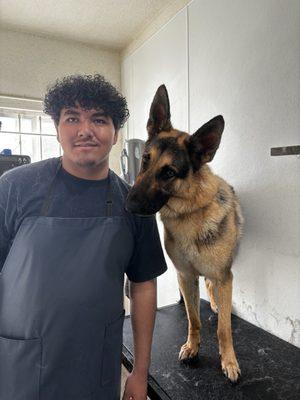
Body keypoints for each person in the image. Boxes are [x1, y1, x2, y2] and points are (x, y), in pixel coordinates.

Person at [0, 74, 167, 400]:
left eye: (99, 120)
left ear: (116, 132)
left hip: (95, 366)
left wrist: (140, 371)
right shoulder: (15, 188)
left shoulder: (134, 203)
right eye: (72, 118)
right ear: (57, 127)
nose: (85, 130)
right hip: (20, 363)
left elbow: (144, 284)